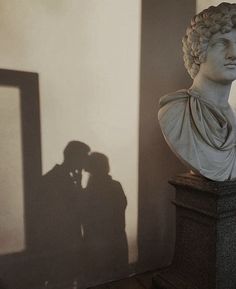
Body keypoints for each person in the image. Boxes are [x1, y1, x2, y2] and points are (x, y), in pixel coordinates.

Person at [158, 3, 236, 181]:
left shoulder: (234, 115)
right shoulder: (175, 113)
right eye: (221, 44)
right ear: (198, 50)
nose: (234, 54)